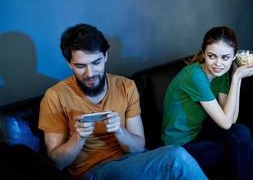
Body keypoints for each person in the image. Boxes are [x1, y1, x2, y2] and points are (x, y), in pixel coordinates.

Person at [38, 23, 207, 180]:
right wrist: (78, 137)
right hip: (96, 171)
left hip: (135, 162)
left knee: (175, 162)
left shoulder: (126, 86)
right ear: (69, 64)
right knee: (177, 157)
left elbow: (138, 148)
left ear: (105, 57)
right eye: (80, 66)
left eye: (96, 62)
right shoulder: (55, 96)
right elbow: (56, 163)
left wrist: (119, 130)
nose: (90, 73)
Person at [162, 26, 253, 180]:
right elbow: (225, 124)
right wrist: (237, 77)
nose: (218, 64)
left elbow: (232, 120)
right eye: (212, 56)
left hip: (197, 132)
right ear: (204, 53)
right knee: (244, 150)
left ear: (234, 56)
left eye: (225, 57)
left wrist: (235, 78)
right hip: (178, 145)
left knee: (248, 139)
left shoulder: (221, 75)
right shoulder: (195, 75)